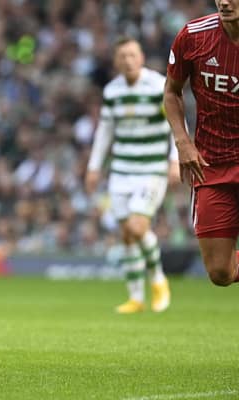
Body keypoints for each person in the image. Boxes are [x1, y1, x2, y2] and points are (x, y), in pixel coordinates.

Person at [85, 37, 179, 314]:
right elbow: (105, 133)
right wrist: (94, 166)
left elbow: (177, 120)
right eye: (122, 56)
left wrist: (175, 159)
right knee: (126, 234)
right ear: (116, 61)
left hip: (151, 168)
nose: (128, 60)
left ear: (141, 57)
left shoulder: (157, 85)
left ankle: (159, 280)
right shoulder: (112, 91)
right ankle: (136, 298)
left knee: (138, 228)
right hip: (121, 170)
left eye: (132, 55)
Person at [164, 0, 239, 287]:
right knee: (221, 272)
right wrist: (182, 142)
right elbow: (172, 92)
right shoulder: (194, 35)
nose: (224, 1)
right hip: (211, 166)